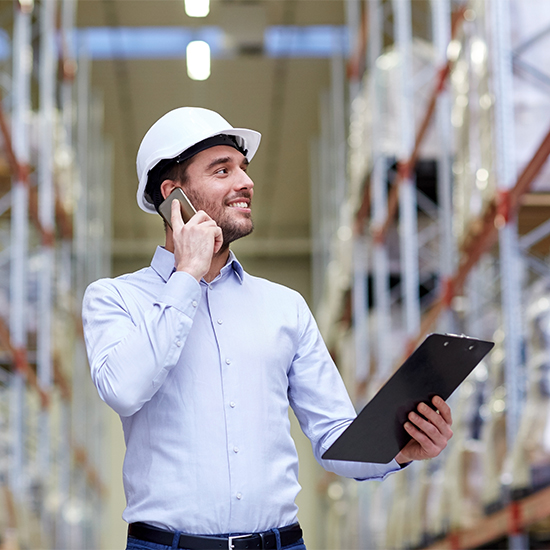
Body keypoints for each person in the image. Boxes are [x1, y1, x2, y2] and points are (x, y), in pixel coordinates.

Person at [82, 107, 453, 550]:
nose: (245, 182)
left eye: (243, 169)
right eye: (223, 170)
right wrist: (187, 275)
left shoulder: (285, 307)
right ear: (172, 196)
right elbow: (124, 389)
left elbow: (334, 435)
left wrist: (397, 448)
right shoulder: (115, 299)